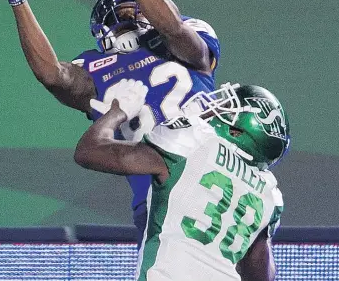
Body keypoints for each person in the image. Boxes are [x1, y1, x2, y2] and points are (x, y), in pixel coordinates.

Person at [0, 0, 220, 243]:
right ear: (104, 29)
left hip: (218, 178)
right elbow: (52, 75)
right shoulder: (98, 67)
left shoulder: (184, 38)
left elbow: (172, 27)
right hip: (160, 195)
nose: (137, 15)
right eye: (126, 13)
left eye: (139, 8)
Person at [75, 78, 290, 281]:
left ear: (237, 131)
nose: (214, 110)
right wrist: (259, 232)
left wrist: (117, 112)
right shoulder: (269, 194)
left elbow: (89, 151)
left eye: (225, 109)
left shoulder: (193, 142)